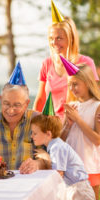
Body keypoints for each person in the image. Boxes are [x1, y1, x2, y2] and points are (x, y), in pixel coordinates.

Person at [33, 2, 99, 121]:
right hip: (51, 127)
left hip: (77, 125)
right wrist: (32, 124)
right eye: (51, 38)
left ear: (71, 38)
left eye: (59, 38)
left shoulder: (86, 63)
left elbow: (94, 97)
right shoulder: (47, 63)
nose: (54, 43)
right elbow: (41, 99)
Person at [20, 114, 95, 200]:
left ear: (48, 134)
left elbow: (58, 174)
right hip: (74, 188)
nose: (31, 136)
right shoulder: (54, 145)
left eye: (35, 133)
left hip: (79, 191)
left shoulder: (56, 147)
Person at [61, 64, 100, 200]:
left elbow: (97, 140)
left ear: (88, 83)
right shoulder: (72, 106)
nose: (72, 89)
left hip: (90, 166)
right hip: (70, 166)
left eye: (75, 84)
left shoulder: (97, 107)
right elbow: (61, 140)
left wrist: (77, 119)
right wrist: (68, 125)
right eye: (70, 85)